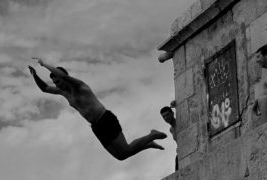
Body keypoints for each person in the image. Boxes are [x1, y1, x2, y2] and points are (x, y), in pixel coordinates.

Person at [28, 59, 166, 161]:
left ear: (64, 78)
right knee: (121, 156)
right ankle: (147, 144)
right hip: (96, 127)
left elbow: (63, 76)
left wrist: (44, 65)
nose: (57, 85)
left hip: (105, 119)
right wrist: (34, 75)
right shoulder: (64, 93)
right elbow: (44, 88)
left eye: (58, 81)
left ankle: (151, 135)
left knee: (126, 149)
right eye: (55, 83)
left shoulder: (80, 86)